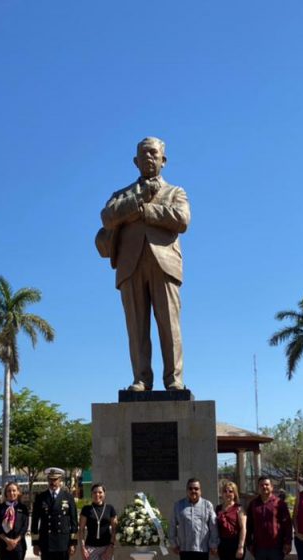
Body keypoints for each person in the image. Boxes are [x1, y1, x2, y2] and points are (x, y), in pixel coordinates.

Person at [98, 137, 191, 391]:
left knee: (169, 325)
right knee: (136, 328)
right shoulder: (122, 196)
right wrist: (138, 200)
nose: (149, 157)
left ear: (163, 160)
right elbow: (107, 217)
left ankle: (174, 378)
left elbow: (181, 219)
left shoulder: (176, 192)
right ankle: (141, 378)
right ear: (135, 161)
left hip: (165, 264)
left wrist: (146, 212)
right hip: (130, 265)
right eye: (143, 153)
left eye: (153, 153)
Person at [31, 468, 78, 560]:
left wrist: (73, 543)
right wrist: (35, 543)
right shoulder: (41, 497)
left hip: (63, 543)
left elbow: (74, 522)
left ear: (60, 481)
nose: (53, 482)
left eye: (55, 480)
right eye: (50, 480)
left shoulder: (68, 497)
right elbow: (35, 522)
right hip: (46, 544)